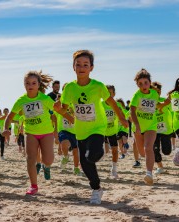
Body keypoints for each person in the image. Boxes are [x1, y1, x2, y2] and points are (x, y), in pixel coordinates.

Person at [54, 50, 128, 204]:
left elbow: (111, 103)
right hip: (80, 130)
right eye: (78, 64)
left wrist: (121, 117)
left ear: (91, 68)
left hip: (97, 127)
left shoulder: (98, 86)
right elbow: (64, 109)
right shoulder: (69, 88)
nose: (82, 67)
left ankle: (98, 152)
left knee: (92, 155)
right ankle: (96, 189)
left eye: (85, 65)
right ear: (73, 67)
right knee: (86, 164)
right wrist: (58, 108)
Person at [2, 71, 64, 195]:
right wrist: (6, 129)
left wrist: (58, 105)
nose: (30, 85)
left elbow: (57, 110)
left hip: (46, 132)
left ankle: (46, 167)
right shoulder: (21, 100)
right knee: (30, 159)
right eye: (27, 83)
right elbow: (9, 117)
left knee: (48, 160)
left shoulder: (44, 98)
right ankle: (33, 186)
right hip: (30, 133)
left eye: (33, 83)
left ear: (38, 85)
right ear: (24, 85)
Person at [130, 69, 159, 186]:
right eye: (140, 84)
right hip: (138, 127)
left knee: (148, 148)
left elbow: (157, 106)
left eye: (145, 83)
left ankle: (149, 174)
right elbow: (132, 110)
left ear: (150, 82)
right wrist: (137, 125)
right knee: (142, 153)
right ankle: (148, 168)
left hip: (151, 126)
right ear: (137, 85)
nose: (143, 86)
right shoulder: (137, 95)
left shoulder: (155, 94)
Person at [151, 81, 173, 174]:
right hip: (153, 130)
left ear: (160, 92)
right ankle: (160, 167)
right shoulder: (150, 102)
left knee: (167, 151)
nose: (156, 93)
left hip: (166, 130)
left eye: (158, 91)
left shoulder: (166, 100)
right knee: (154, 149)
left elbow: (174, 111)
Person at [102, 85, 123, 179]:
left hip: (112, 131)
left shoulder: (117, 105)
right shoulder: (100, 104)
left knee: (114, 150)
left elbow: (123, 116)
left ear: (114, 94)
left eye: (110, 93)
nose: (109, 95)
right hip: (101, 131)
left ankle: (114, 169)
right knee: (98, 152)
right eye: (107, 93)